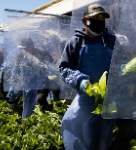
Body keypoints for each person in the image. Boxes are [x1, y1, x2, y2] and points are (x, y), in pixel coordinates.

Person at [59, 4, 116, 149]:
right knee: (72, 123)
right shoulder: (75, 42)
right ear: (85, 21)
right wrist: (81, 80)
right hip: (87, 95)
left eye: (102, 18)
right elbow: (65, 68)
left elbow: (120, 61)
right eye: (95, 18)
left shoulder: (111, 40)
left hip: (111, 96)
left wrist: (123, 68)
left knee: (103, 131)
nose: (100, 21)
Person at [8, 36, 54, 118]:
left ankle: (41, 120)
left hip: (41, 82)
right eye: (22, 49)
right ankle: (26, 121)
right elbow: (16, 70)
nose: (23, 51)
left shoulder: (41, 52)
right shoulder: (20, 55)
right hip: (28, 82)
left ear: (31, 47)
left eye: (25, 48)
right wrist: (12, 84)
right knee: (27, 103)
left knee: (40, 102)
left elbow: (54, 64)